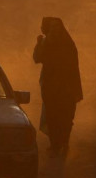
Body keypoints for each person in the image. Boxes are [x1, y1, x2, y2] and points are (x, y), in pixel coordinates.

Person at [33, 17, 83, 157]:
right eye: (52, 26)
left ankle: (64, 141)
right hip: (49, 86)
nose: (55, 29)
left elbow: (73, 66)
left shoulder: (68, 43)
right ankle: (55, 144)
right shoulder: (45, 42)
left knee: (66, 115)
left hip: (67, 85)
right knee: (52, 116)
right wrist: (39, 45)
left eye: (57, 26)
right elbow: (37, 59)